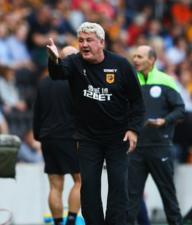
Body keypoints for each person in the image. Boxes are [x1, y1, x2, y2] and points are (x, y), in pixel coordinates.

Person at [46, 22, 145, 225]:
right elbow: (57, 73)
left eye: (89, 40)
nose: (83, 44)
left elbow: (137, 102)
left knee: (118, 186)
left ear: (101, 42)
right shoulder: (74, 62)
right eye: (80, 40)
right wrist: (53, 59)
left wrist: (133, 130)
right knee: (89, 188)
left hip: (118, 138)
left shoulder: (121, 65)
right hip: (88, 138)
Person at [127, 45, 184, 225]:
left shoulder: (166, 80)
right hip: (135, 149)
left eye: (140, 57)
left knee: (168, 197)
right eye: (134, 56)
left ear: (152, 60)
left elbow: (180, 109)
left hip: (160, 147)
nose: (135, 60)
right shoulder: (130, 82)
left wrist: (164, 121)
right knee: (130, 200)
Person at [33, 46, 81, 225]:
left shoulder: (44, 82)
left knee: (55, 185)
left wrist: (39, 136)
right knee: (80, 181)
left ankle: (58, 223)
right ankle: (71, 221)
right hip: (70, 137)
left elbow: (37, 112)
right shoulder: (77, 81)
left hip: (48, 138)